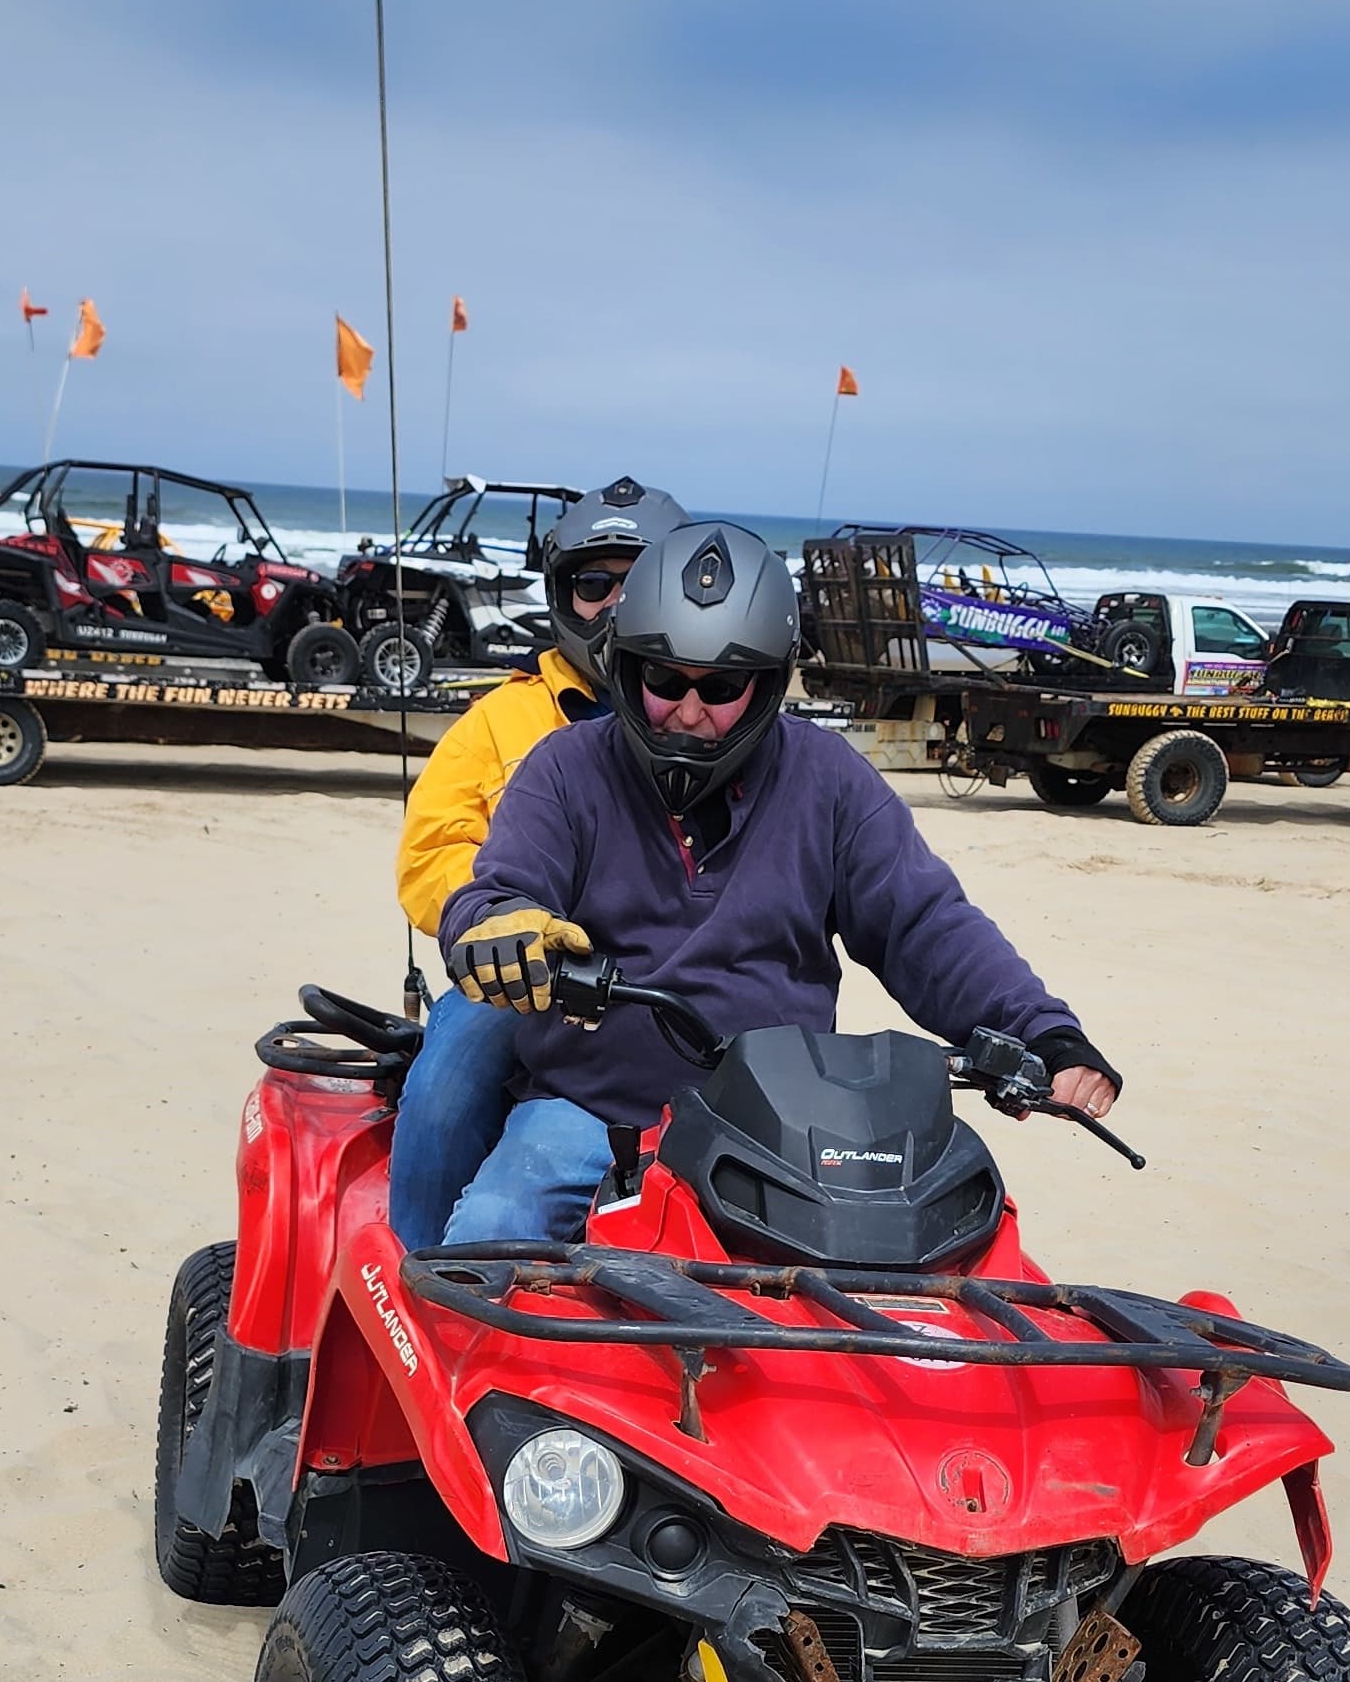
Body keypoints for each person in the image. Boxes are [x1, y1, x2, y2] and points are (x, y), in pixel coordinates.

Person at [435, 517, 1119, 1245]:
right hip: (591, 1116)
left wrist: (1044, 1035)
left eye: (723, 685)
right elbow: (498, 889)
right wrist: (499, 927)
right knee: (490, 1232)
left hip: (782, 1133)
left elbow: (925, 924)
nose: (689, 710)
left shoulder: (829, 780)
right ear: (625, 668)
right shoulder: (564, 769)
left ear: (766, 685)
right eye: (663, 679)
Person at [386, 478, 684, 1243]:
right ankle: (418, 1270)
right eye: (595, 584)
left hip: (669, 975)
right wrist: (505, 923)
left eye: (639, 581)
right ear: (562, 593)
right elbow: (430, 853)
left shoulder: (710, 714)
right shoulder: (502, 719)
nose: (615, 605)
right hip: (527, 980)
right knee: (446, 1086)